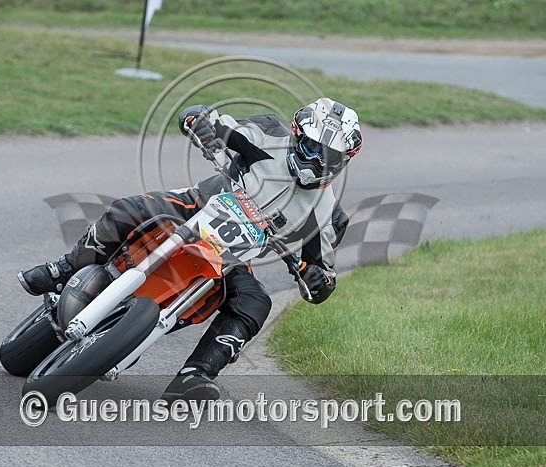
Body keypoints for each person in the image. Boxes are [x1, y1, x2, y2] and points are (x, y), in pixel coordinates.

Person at [18, 97, 363, 402]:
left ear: (344, 159)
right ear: (296, 135)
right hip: (192, 208)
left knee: (256, 302)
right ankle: (62, 270)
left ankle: (195, 375)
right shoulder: (268, 134)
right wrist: (201, 124)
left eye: (330, 156)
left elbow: (322, 279)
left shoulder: (329, 214)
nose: (318, 161)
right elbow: (209, 119)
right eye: (312, 148)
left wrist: (318, 280)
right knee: (128, 209)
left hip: (229, 260)